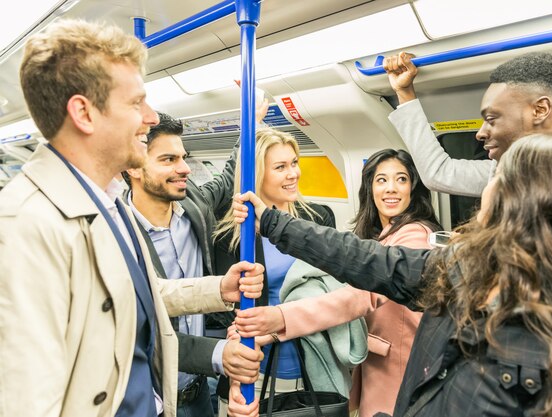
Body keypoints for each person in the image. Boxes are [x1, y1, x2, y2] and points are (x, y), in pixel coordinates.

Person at [232, 134, 552, 417]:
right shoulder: (461, 269)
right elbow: (367, 261)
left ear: (521, 208)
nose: (485, 190)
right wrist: (273, 223)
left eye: (498, 180)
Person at [0, 18, 264, 417]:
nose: (151, 116)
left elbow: (135, 292)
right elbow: (29, 401)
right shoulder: (24, 226)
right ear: (84, 113)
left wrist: (216, 288)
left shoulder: (109, 199)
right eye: (135, 102)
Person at [233, 148, 442, 416]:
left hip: (399, 366)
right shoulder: (384, 235)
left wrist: (280, 318)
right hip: (381, 364)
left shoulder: (414, 235)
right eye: (382, 180)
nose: (391, 189)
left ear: (414, 188)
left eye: (401, 179)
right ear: (369, 188)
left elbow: (359, 296)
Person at [383, 51, 552, 235]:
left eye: (491, 119)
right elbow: (439, 173)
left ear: (540, 110)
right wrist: (404, 93)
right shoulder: (502, 173)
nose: (479, 134)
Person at [124, 111, 266, 417]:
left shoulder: (195, 206)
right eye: (169, 160)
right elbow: (142, 325)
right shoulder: (118, 234)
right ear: (134, 165)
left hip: (201, 389)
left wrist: (249, 121)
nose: (185, 168)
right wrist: (217, 354)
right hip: (153, 396)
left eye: (183, 157)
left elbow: (230, 175)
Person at [212, 127, 336, 416]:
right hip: (252, 369)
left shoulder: (318, 219)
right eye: (280, 167)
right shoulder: (230, 236)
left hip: (311, 363)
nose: (292, 173)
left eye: (294, 163)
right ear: (256, 175)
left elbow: (331, 290)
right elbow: (224, 309)